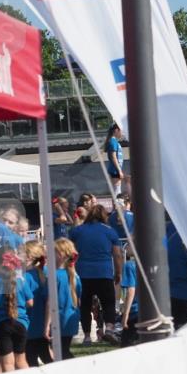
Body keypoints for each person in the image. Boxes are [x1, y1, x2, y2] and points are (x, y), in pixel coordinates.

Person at [68, 204, 122, 345]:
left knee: (85, 306)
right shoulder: (110, 231)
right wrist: (118, 272)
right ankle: (109, 329)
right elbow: (117, 254)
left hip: (83, 273)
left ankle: (87, 336)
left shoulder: (77, 231)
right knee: (108, 302)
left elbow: (69, 250)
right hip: (104, 272)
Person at [0, 248, 33, 372]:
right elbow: (30, 303)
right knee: (21, 361)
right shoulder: (21, 281)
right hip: (21, 323)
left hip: (0, 325)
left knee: (7, 363)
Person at [23, 241, 51, 367]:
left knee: (31, 360)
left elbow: (26, 302)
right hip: (44, 323)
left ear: (29, 257)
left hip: (30, 325)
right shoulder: (46, 272)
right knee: (46, 356)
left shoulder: (26, 277)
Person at [54, 238, 82, 359]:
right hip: (71, 317)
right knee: (64, 350)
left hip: (59, 319)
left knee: (61, 352)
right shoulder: (75, 276)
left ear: (61, 255)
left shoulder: (56, 275)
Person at [105, 123, 127, 196]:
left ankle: (117, 202)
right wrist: (119, 170)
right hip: (115, 169)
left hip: (115, 169)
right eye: (121, 131)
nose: (122, 133)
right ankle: (117, 203)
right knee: (117, 189)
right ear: (116, 130)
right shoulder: (113, 141)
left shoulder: (113, 141)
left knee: (117, 189)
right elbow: (113, 157)